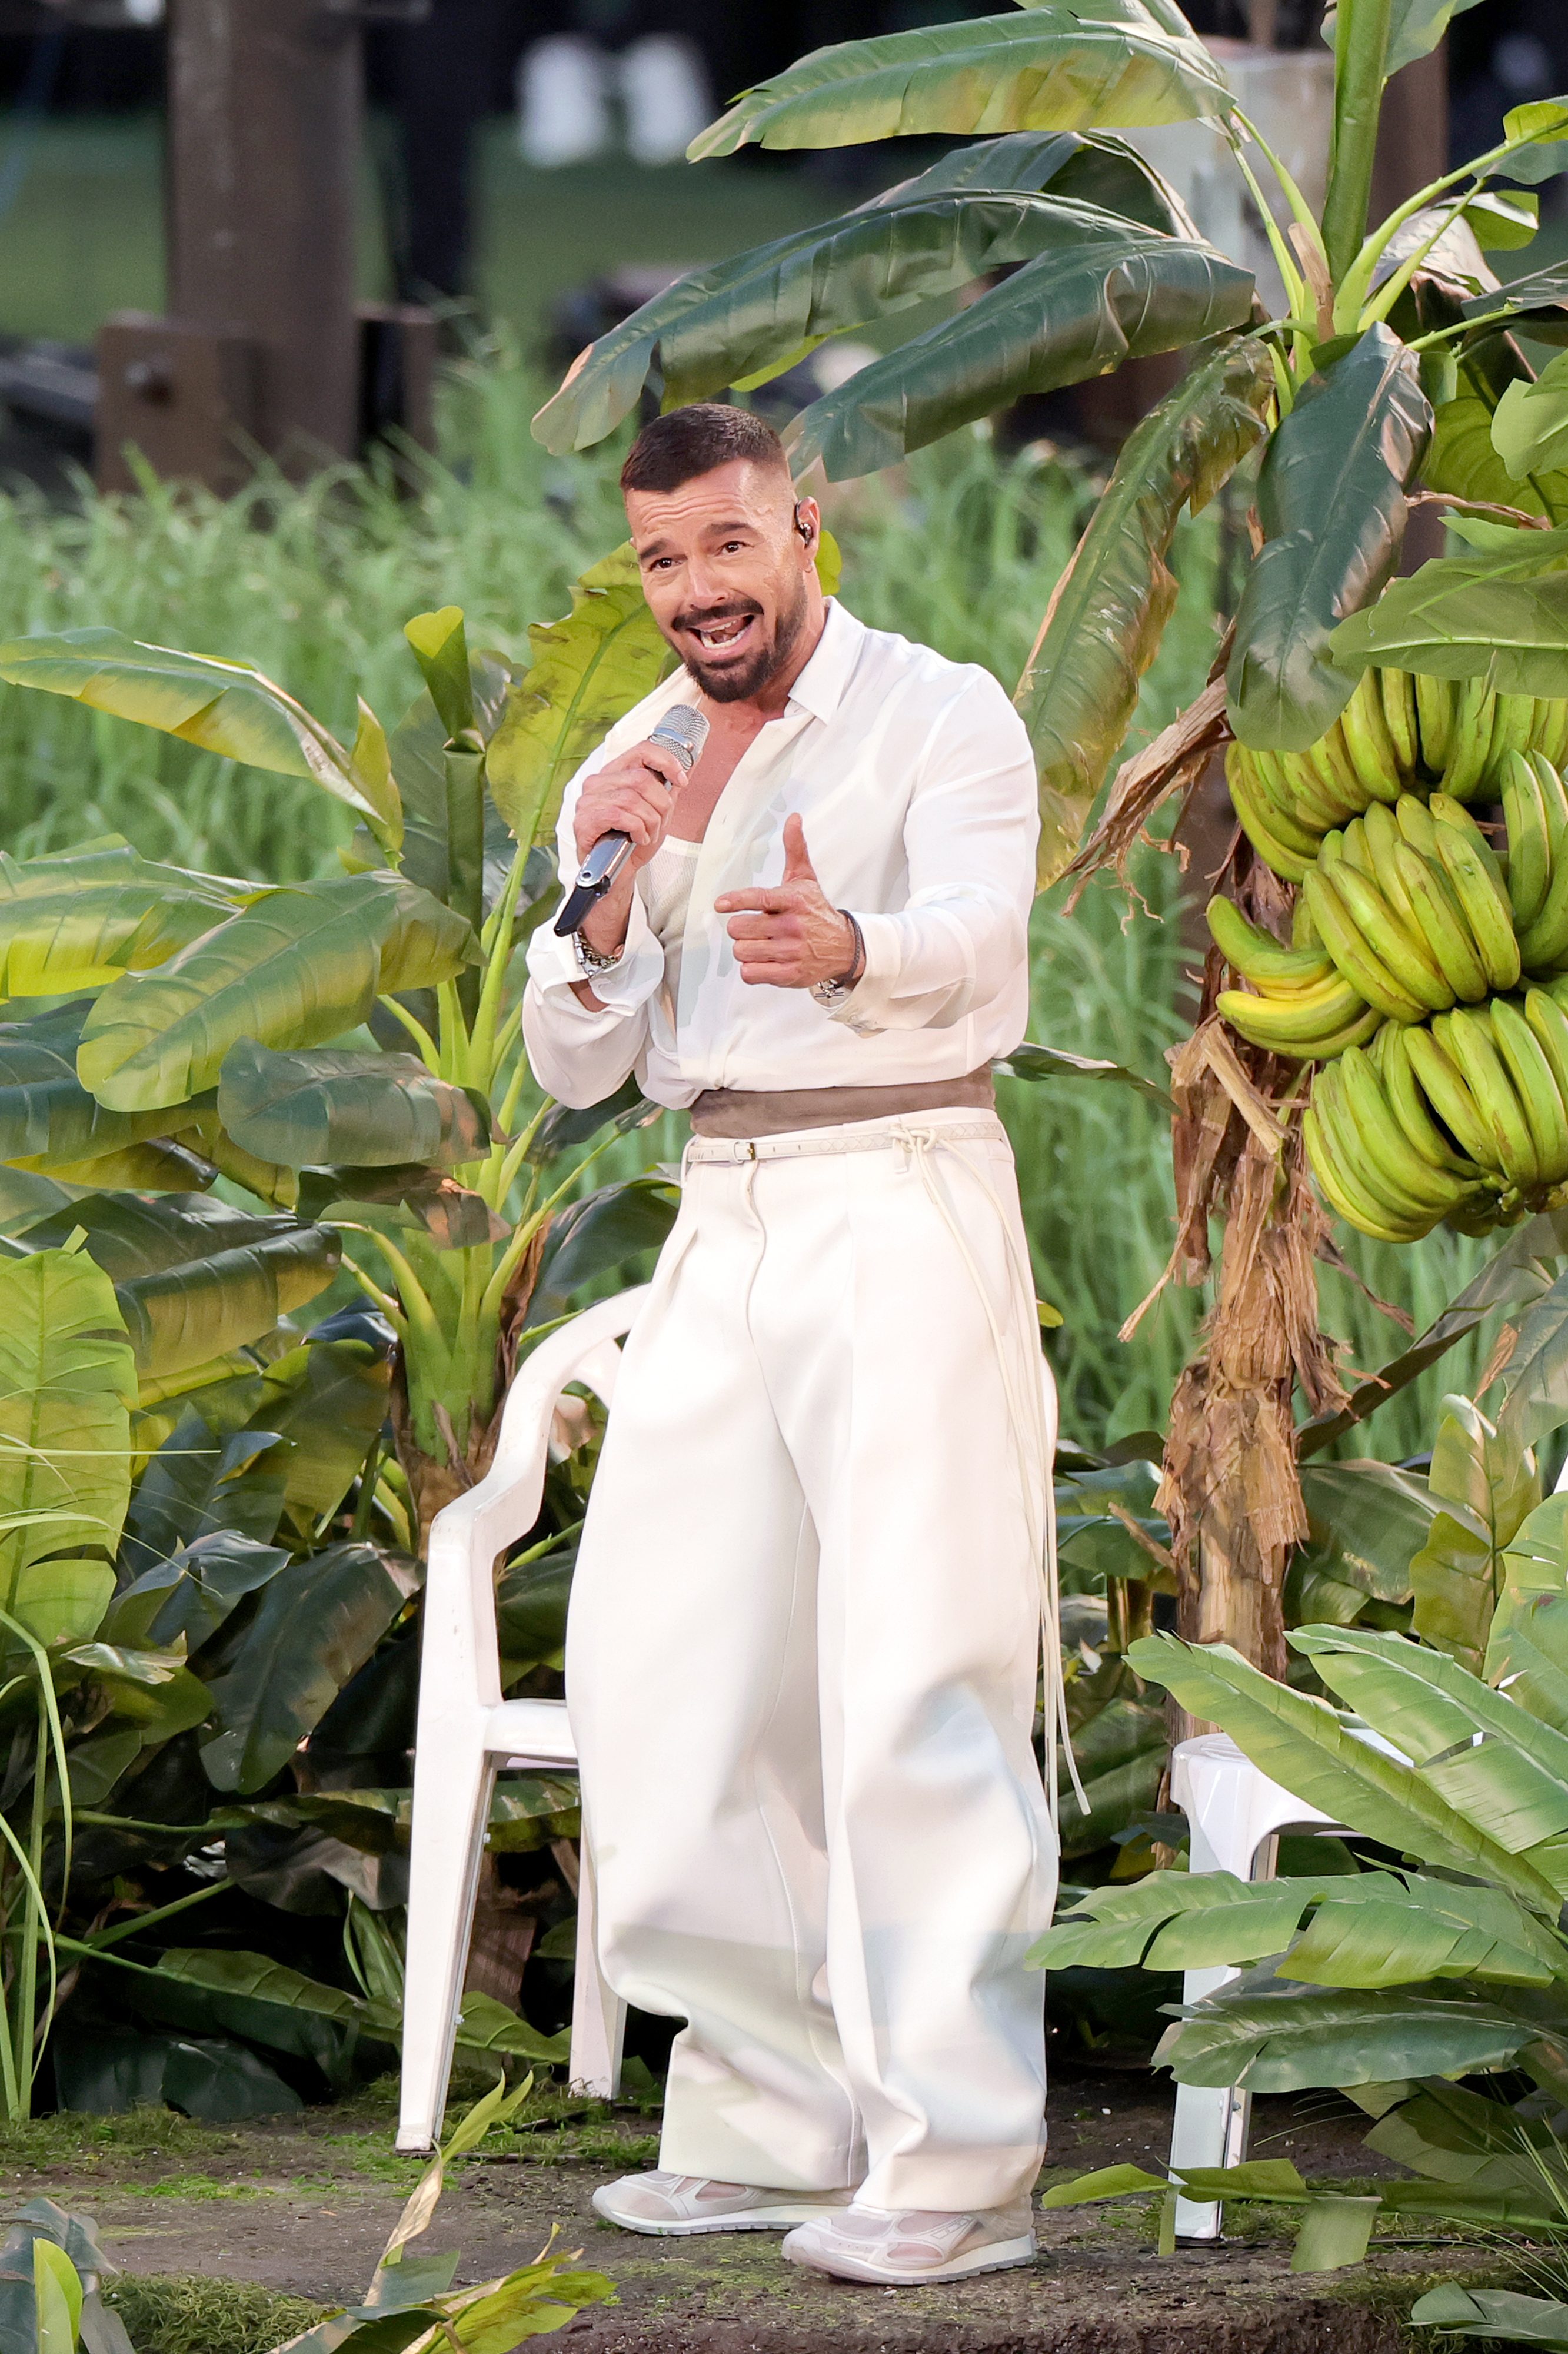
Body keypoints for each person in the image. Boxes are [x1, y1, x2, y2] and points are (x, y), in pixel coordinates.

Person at [522, 402, 1059, 2288]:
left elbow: (991, 936)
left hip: (902, 1184)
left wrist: (850, 951)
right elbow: (571, 1054)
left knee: (918, 1678)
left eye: (727, 547)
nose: (697, 592)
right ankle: (767, 2119)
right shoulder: (637, 754)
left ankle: (957, 2172)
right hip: (718, 1214)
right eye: (664, 560)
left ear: (802, 529)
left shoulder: (942, 710)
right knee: (676, 1675)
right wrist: (599, 901)